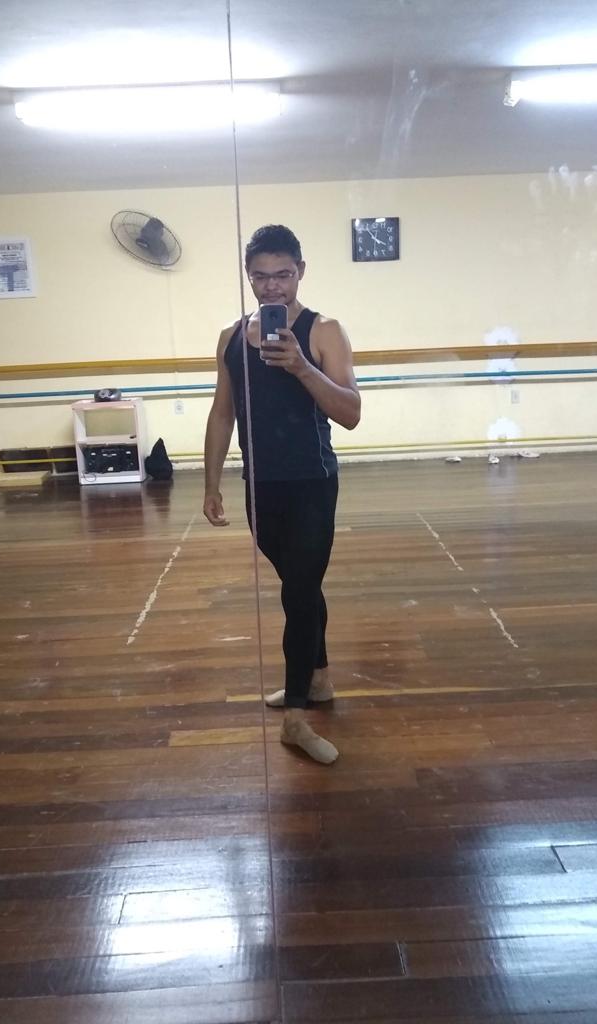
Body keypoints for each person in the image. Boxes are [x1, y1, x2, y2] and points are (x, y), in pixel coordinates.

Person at [203, 224, 360, 765]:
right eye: (261, 276)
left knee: (299, 592)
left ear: (300, 272)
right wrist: (210, 483)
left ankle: (295, 718)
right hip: (260, 487)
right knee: (301, 584)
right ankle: (319, 678)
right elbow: (222, 412)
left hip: (313, 483)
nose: (272, 286)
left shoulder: (324, 331)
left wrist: (301, 367)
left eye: (283, 275)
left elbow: (351, 413)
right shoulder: (230, 338)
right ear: (248, 277)